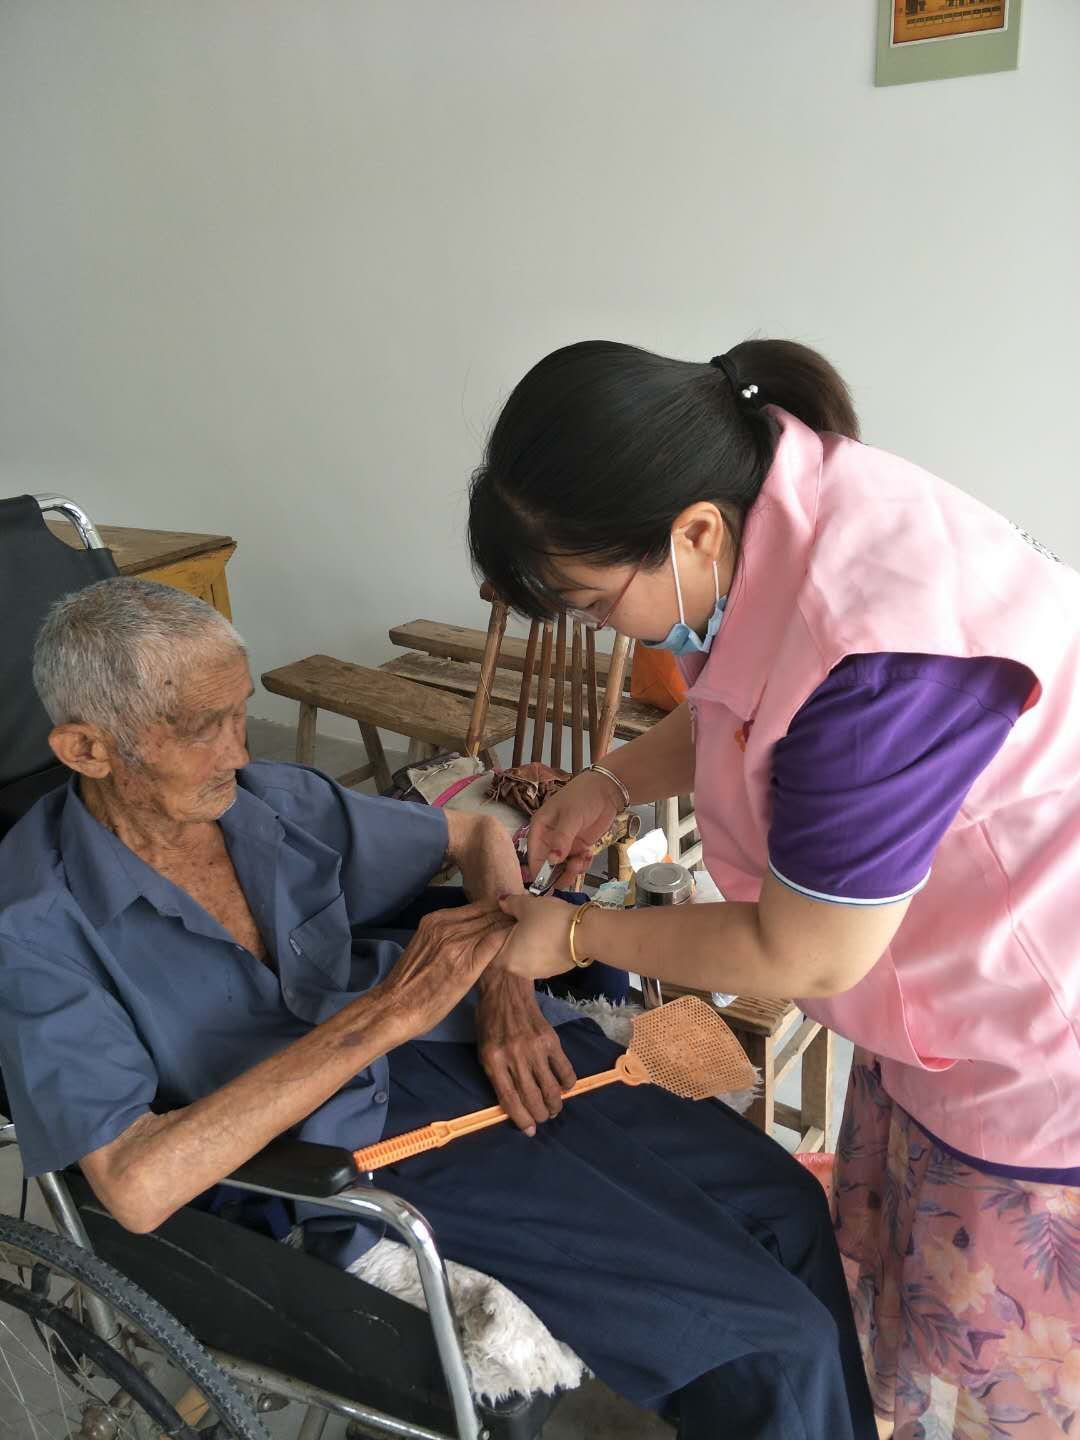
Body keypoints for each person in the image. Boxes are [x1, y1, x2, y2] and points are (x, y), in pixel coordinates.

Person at [0, 577, 876, 1440]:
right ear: (87, 749)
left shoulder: (265, 800)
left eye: (240, 712)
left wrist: (505, 994)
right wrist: (383, 1016)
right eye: (202, 728)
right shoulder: (34, 927)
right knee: (774, 1346)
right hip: (357, 1147)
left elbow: (480, 834)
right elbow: (135, 1186)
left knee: (787, 1211)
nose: (237, 750)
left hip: (471, 1049)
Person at [468, 339, 1080, 1440]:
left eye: (597, 604)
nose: (604, 630)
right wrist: (611, 781)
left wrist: (576, 938)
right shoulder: (778, 510)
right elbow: (746, 709)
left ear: (693, 531)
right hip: (944, 979)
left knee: (991, 1366)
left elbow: (805, 952)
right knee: (890, 1274)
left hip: (1039, 1028)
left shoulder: (883, 656)